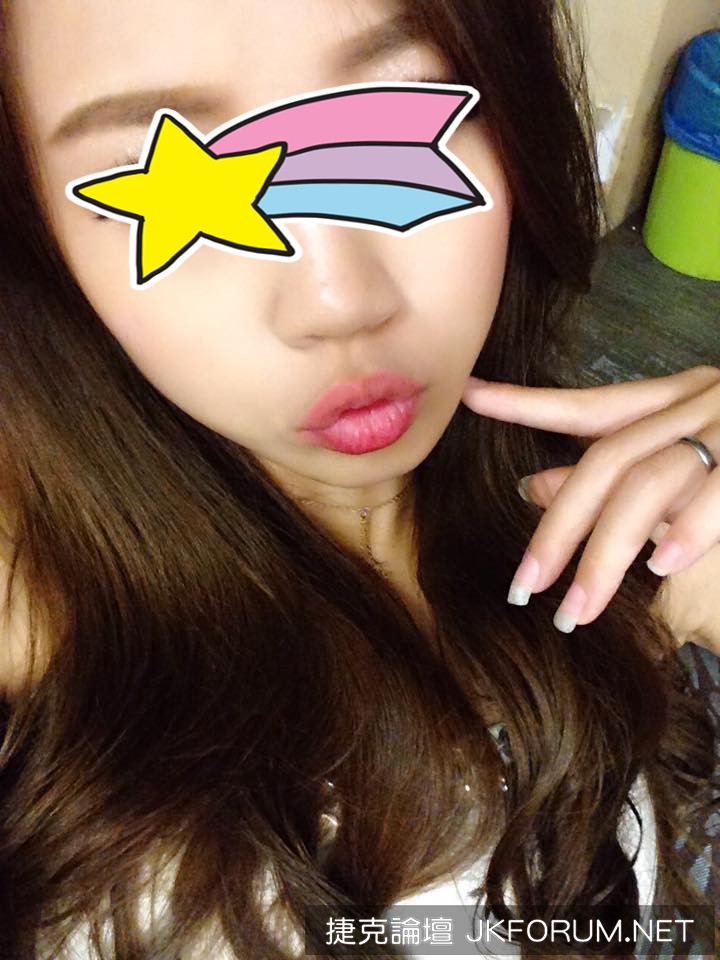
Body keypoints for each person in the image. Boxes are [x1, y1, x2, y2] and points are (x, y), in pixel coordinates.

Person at [0, 0, 716, 958]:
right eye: (167, 186)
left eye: (398, 118)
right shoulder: (45, 635)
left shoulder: (592, 512)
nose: (339, 299)